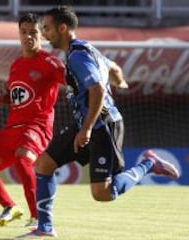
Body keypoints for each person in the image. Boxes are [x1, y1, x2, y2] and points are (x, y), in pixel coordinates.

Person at [22, 5, 180, 237]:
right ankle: (45, 228)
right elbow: (113, 68)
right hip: (84, 123)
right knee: (44, 165)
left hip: (102, 126)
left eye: (46, 28)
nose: (43, 34)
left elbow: (95, 90)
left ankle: (149, 164)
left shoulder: (78, 56)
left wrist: (86, 129)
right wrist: (119, 81)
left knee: (102, 194)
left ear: (62, 28)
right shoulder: (84, 49)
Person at [0, 13, 66, 227]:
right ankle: (10, 206)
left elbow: (71, 81)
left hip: (37, 126)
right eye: (24, 32)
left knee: (23, 160)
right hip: (13, 126)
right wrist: (6, 98)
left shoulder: (50, 62)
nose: (28, 37)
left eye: (33, 32)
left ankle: (37, 216)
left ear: (42, 34)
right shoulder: (16, 64)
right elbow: (20, 93)